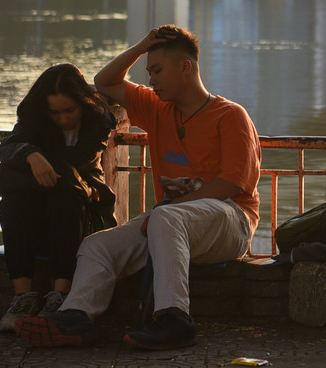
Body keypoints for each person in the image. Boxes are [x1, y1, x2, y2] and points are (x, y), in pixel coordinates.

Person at [16, 25, 261, 351]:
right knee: (96, 246)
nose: (151, 80)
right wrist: (144, 45)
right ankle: (75, 318)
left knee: (164, 218)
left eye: (157, 70)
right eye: (149, 72)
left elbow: (231, 183)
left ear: (185, 67)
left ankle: (174, 319)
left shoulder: (230, 115)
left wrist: (171, 209)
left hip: (231, 220)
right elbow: (104, 82)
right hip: (171, 224)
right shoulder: (158, 108)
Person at [0, 63, 118, 332]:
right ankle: (22, 297)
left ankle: (60, 293)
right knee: (14, 203)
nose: (63, 119)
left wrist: (15, 168)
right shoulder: (35, 119)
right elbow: (10, 145)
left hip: (85, 204)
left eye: (69, 111)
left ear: (83, 104)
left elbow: (70, 167)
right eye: (55, 113)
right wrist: (30, 154)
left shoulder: (98, 122)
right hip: (39, 205)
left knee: (65, 194)